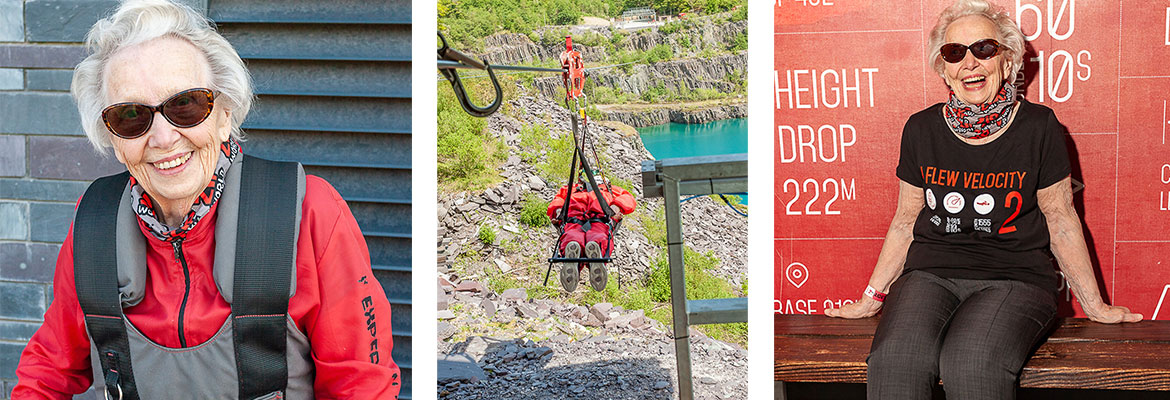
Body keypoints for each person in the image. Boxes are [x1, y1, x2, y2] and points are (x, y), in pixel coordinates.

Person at [12, 1, 401, 398]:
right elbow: (47, 370)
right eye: (130, 116)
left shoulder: (307, 211)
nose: (163, 138)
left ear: (225, 114)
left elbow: (362, 385)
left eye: (186, 105)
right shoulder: (94, 224)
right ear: (113, 139)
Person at [823, 0, 1142, 398]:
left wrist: (1095, 305)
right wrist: (870, 298)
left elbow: (1060, 219)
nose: (969, 63)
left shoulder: (1038, 127)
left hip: (1016, 279)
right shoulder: (921, 130)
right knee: (895, 360)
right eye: (955, 52)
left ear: (1007, 61)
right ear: (944, 68)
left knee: (971, 362)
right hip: (930, 274)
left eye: (984, 49)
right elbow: (906, 221)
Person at [546, 173, 636, 292]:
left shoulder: (611, 190)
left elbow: (628, 198)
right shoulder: (572, 188)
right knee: (582, 237)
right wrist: (558, 211)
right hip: (583, 218)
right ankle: (581, 257)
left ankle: (579, 258)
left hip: (597, 218)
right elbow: (558, 200)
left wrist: (616, 206)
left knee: (585, 236)